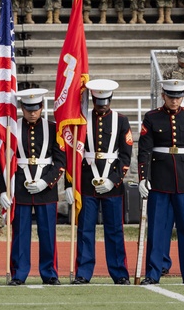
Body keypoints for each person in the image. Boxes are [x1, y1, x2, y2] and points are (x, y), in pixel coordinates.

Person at [137, 79, 184, 285]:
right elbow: (145, 150)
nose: (175, 101)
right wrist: (144, 177)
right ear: (163, 96)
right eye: (171, 97)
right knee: (158, 229)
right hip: (160, 179)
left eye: (178, 97)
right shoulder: (152, 117)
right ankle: (153, 272)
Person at [0, 88, 65, 286]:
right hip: (20, 185)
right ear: (21, 108)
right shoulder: (11, 128)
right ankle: (19, 273)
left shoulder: (54, 129)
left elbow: (61, 160)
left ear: (42, 107)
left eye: (35, 108)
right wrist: (4, 188)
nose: (32, 112)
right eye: (28, 109)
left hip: (46, 186)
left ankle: (50, 273)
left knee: (48, 233)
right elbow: (3, 160)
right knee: (20, 233)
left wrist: (46, 181)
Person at [74, 79, 132, 285]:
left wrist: (114, 180)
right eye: (98, 102)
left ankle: (119, 272)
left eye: (105, 102)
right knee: (85, 229)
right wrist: (71, 185)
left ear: (111, 100)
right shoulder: (81, 120)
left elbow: (126, 156)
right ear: (92, 101)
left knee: (115, 229)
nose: (102, 106)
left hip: (112, 183)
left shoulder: (121, 121)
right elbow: (74, 153)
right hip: (87, 181)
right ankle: (83, 272)